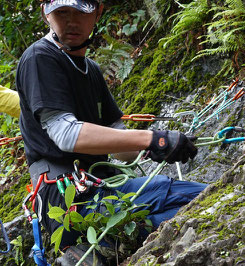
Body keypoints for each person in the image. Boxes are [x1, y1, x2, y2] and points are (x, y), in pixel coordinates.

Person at [16, 0, 207, 264]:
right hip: (66, 199)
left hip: (101, 187)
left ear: (98, 12)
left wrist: (162, 144)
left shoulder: (91, 69)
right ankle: (104, 247)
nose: (71, 21)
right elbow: (65, 133)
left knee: (194, 201)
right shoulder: (40, 58)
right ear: (45, 14)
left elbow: (123, 152)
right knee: (196, 200)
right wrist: (151, 138)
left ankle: (105, 248)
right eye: (61, 13)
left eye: (80, 13)